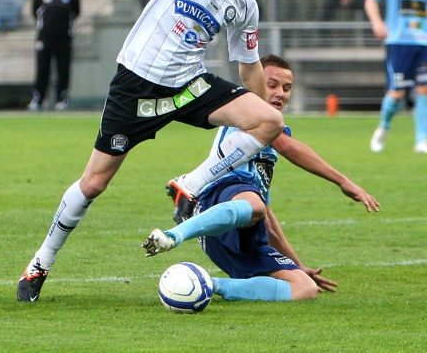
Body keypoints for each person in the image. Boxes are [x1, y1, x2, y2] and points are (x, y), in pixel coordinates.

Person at [17, 0, 286, 302]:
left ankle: (189, 186)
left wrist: (264, 115)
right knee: (93, 183)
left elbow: (248, 65)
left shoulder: (245, 4)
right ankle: (40, 263)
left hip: (188, 86)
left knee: (269, 121)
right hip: (136, 84)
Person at [142, 55, 380, 302]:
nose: (280, 93)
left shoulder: (264, 159)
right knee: (254, 204)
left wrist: (297, 265)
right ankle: (174, 235)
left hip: (234, 224)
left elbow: (265, 215)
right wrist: (343, 181)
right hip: (218, 196)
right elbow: (288, 147)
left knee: (304, 288)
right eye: (272, 84)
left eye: (287, 88)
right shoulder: (251, 115)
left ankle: (207, 284)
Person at [366, 0, 427, 154]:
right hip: (399, 42)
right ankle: (383, 127)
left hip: (424, 43)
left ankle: (422, 139)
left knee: (424, 89)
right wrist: (377, 23)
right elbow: (372, 0)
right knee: (398, 91)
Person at [28, 0, 80, 111]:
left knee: (63, 69)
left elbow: (76, 11)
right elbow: (34, 11)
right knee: (42, 68)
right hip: (45, 36)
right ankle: (38, 99)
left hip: (64, 37)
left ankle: (62, 99)